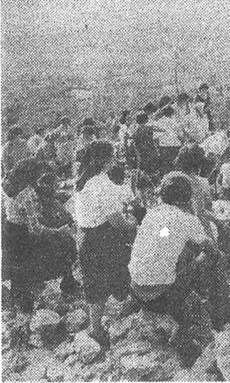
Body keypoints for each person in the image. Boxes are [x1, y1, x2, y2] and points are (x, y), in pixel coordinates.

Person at [128, 176, 230, 364]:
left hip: (135, 288)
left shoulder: (153, 213)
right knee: (217, 259)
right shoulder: (187, 219)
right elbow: (212, 251)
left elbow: (162, 236)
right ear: (188, 198)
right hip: (162, 296)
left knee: (182, 251)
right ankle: (218, 315)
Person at [74, 141, 137, 345]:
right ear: (106, 160)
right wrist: (132, 223)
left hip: (84, 236)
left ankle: (96, 328)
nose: (115, 160)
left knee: (94, 284)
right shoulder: (103, 184)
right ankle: (133, 308)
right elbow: (118, 223)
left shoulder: (83, 181)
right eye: (113, 156)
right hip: (102, 238)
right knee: (125, 267)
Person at [2, 159, 79, 312]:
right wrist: (59, 232)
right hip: (23, 234)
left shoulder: (8, 184)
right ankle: (66, 283)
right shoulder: (27, 193)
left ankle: (20, 303)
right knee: (65, 243)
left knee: (18, 270)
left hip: (9, 230)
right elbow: (35, 228)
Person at [163, 144, 216, 238]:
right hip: (187, 230)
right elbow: (201, 213)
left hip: (166, 227)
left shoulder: (168, 177)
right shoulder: (200, 183)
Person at [128, 111, 162, 176]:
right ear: (146, 120)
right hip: (150, 150)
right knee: (152, 168)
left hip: (141, 151)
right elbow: (161, 130)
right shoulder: (149, 127)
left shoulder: (137, 130)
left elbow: (132, 138)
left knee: (143, 168)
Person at [154, 106, 183, 175]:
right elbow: (180, 136)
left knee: (165, 168)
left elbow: (155, 138)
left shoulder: (159, 123)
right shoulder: (176, 122)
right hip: (175, 147)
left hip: (164, 148)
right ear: (172, 113)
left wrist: (157, 149)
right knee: (175, 167)